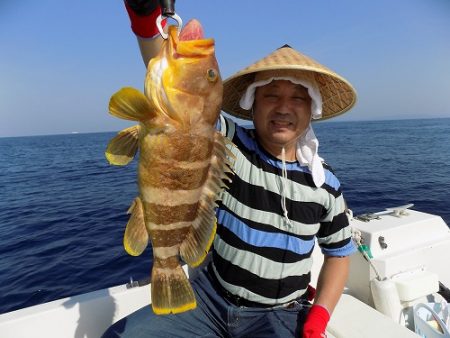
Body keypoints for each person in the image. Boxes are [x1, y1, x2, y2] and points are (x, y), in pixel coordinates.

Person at [102, 1, 357, 337]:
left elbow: (338, 254)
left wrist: (319, 317)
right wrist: (146, 20)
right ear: (253, 104)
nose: (283, 108)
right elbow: (187, 105)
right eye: (270, 96)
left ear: (313, 109)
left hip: (279, 316)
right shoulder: (230, 143)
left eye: (298, 98)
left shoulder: (326, 185)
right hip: (210, 299)